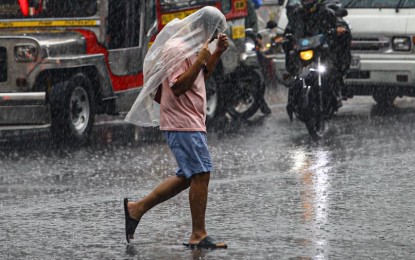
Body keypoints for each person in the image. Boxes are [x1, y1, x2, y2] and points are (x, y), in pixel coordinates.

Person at [123, 6, 229, 249]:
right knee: (201, 173)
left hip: (192, 120)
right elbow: (180, 86)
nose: (213, 40)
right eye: (213, 35)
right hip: (182, 122)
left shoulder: (194, 48)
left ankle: (136, 209)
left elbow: (201, 76)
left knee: (187, 176)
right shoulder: (177, 48)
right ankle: (198, 234)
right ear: (204, 27)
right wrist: (201, 58)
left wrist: (216, 53)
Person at [283, 0, 351, 108]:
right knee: (295, 74)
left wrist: (339, 28)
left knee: (331, 69)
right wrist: (286, 38)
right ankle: (293, 101)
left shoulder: (327, 12)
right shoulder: (297, 13)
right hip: (303, 50)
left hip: (321, 51)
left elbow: (339, 22)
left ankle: (336, 91)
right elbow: (289, 30)